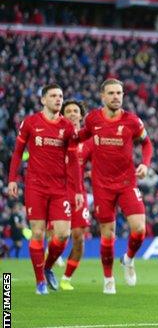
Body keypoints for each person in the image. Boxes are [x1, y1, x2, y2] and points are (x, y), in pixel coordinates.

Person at [77, 79, 153, 294]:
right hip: (102, 186)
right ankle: (108, 278)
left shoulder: (132, 121)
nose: (116, 96)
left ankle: (128, 259)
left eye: (119, 93)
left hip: (128, 183)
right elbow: (82, 136)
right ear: (102, 96)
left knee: (140, 228)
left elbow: (147, 143)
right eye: (111, 93)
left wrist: (145, 165)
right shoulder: (92, 119)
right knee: (108, 234)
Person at [7, 83, 83, 294]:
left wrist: (77, 190)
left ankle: (48, 267)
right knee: (38, 233)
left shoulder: (67, 127)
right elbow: (17, 152)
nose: (58, 99)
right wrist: (12, 179)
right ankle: (40, 281)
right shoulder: (30, 123)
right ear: (43, 100)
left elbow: (74, 160)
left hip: (60, 188)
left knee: (62, 235)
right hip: (36, 187)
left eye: (60, 96)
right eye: (53, 96)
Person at [59, 100, 94, 290]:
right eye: (68, 111)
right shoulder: (56, 137)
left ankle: (66, 278)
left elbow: (100, 163)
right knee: (58, 235)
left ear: (81, 115)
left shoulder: (88, 141)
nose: (72, 114)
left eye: (75, 111)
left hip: (78, 194)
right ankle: (46, 270)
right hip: (56, 192)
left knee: (79, 237)